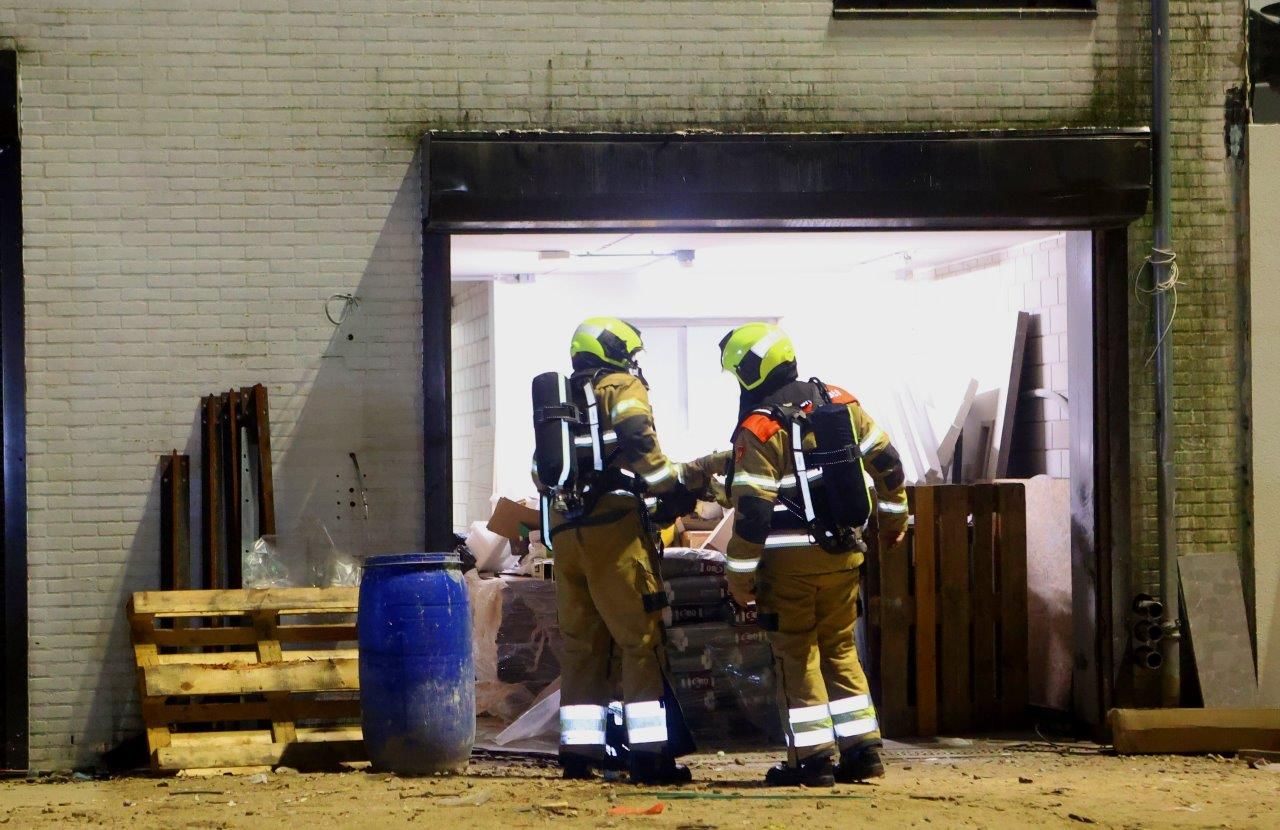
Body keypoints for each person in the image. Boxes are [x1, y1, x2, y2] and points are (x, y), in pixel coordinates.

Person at [717, 322, 909, 787]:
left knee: (798, 655)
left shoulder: (760, 427)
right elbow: (889, 464)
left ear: (751, 371)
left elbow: (752, 516)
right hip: (845, 557)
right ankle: (863, 752)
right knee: (841, 649)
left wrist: (738, 578)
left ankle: (813, 759)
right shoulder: (840, 401)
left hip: (789, 570)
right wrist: (894, 521)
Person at [542, 317, 727, 784]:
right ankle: (649, 755)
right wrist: (671, 488)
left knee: (583, 647)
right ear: (614, 352)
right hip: (614, 535)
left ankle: (580, 753)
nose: (634, 362)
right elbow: (638, 438)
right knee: (639, 643)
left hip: (567, 534)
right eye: (631, 353)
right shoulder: (619, 386)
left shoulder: (560, 405)